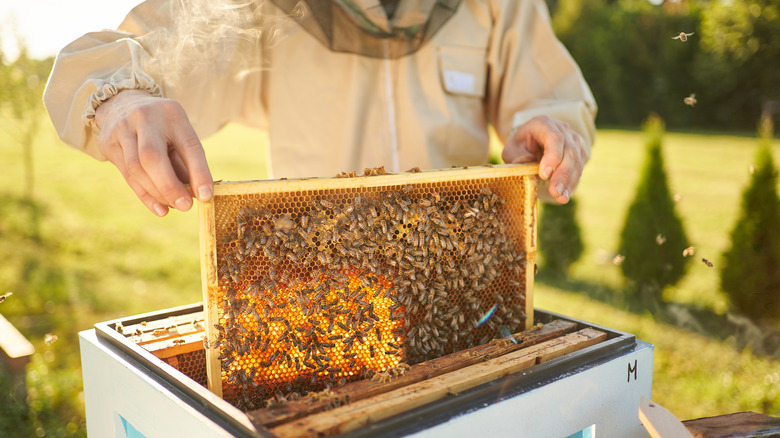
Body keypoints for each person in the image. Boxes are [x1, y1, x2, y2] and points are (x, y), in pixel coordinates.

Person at [43, 0, 596, 217]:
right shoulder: (258, 7)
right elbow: (127, 55)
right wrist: (120, 97)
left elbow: (553, 95)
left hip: (460, 275)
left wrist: (551, 132)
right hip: (319, 282)